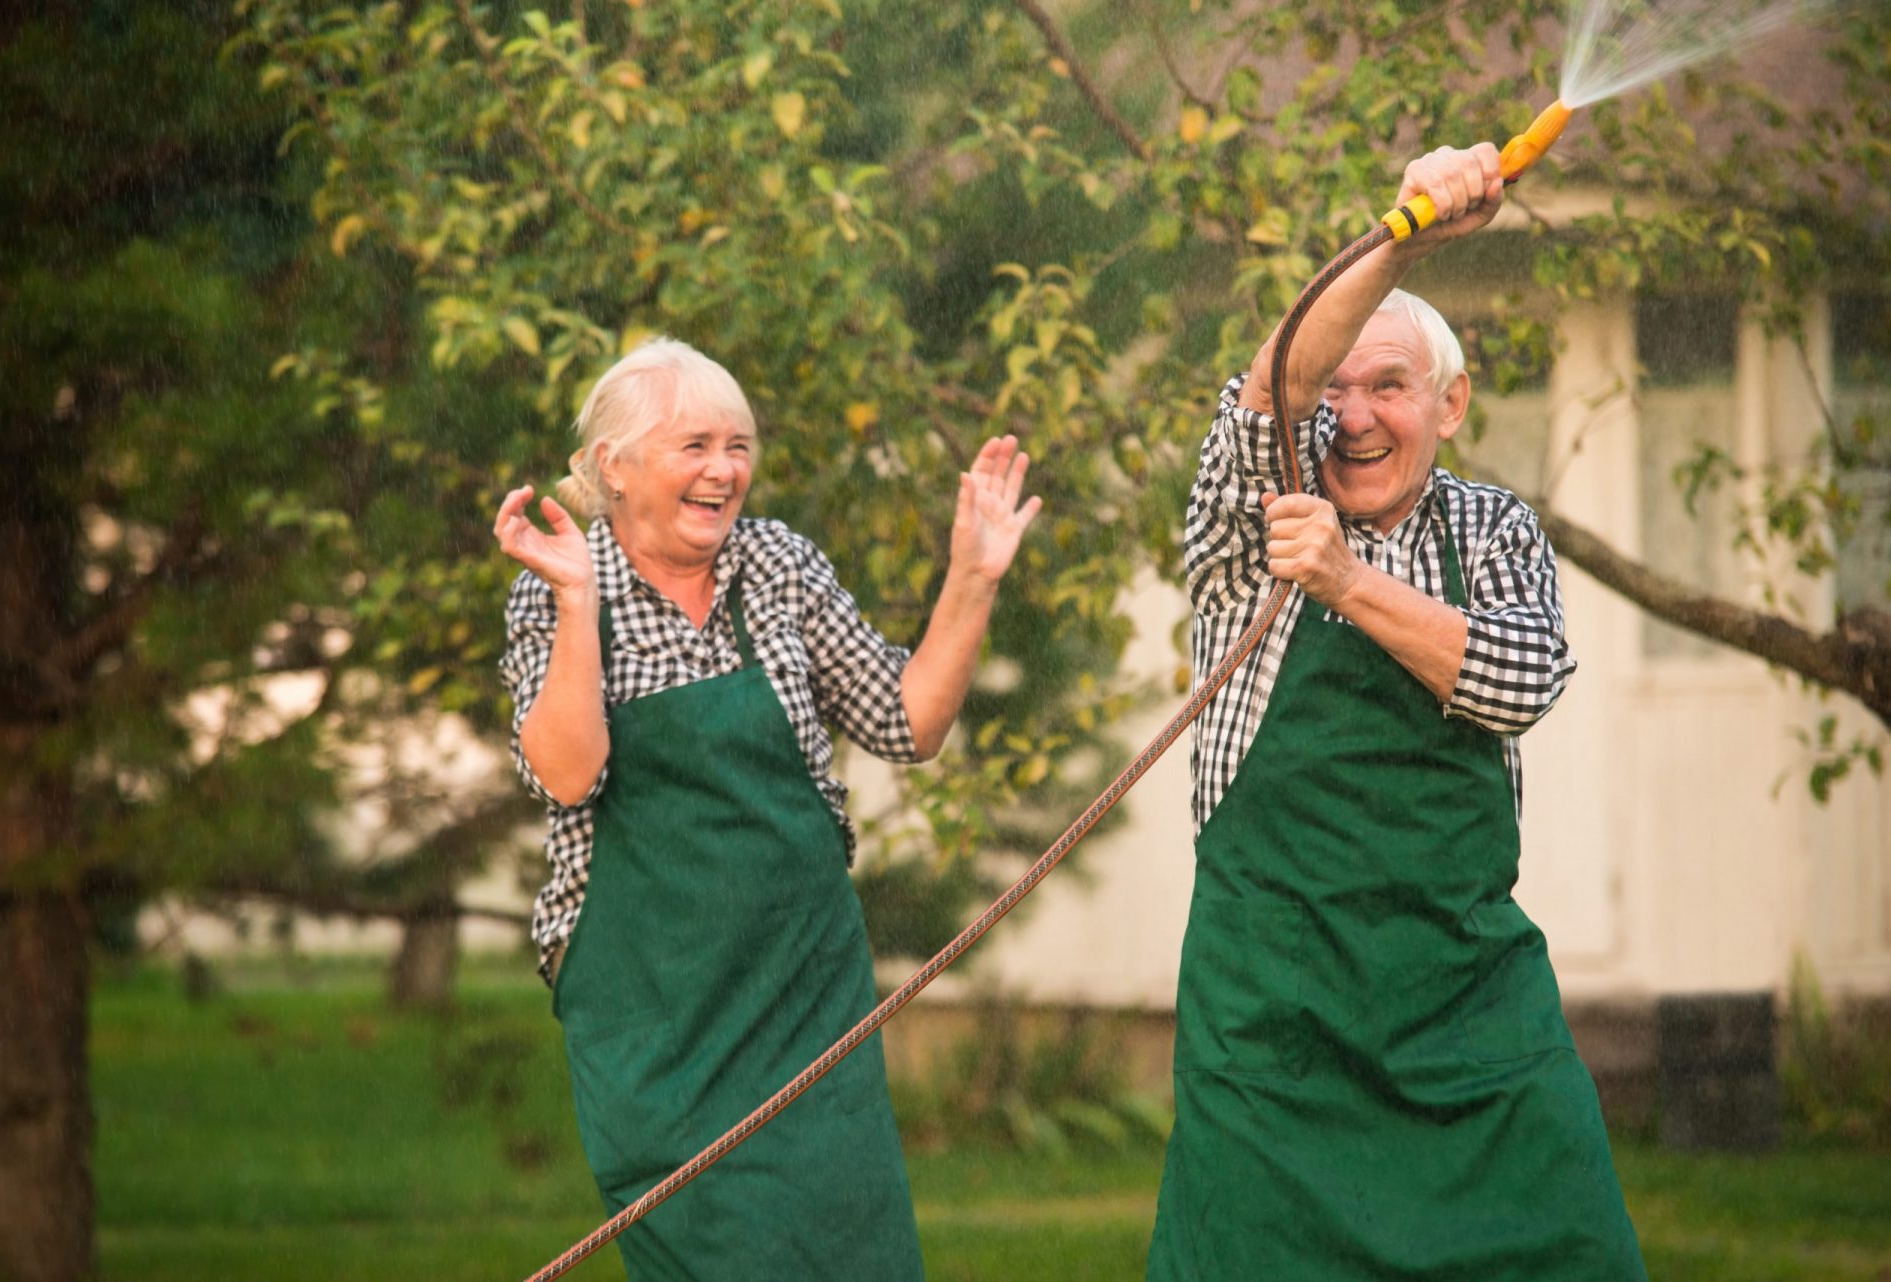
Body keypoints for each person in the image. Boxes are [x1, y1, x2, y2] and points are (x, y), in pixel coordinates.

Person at [1147, 145, 1648, 1279]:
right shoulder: (1251, 523)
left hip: (1470, 1022)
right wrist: (1403, 237)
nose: (1354, 418)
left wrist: (1350, 585)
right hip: (1274, 1037)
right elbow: (1271, 385)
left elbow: (1522, 682)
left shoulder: (1493, 531)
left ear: (1451, 403)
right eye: (1339, 389)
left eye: (1389, 387)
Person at [494, 338, 1039, 1282]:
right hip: (658, 1027)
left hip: (803, 1005)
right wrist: (578, 601)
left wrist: (973, 578)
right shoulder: (557, 586)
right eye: (695, 445)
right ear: (614, 469)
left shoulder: (777, 565)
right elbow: (568, 775)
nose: (725, 470)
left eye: (738, 445)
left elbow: (907, 724)